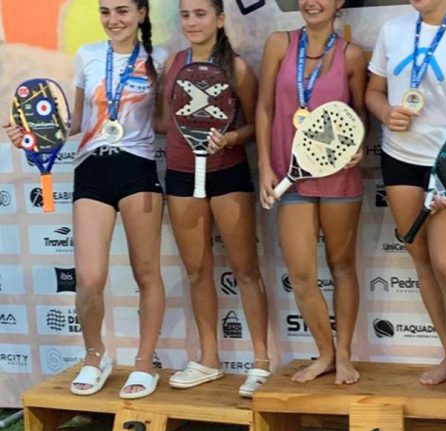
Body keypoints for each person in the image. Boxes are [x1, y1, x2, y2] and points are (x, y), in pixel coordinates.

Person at [4, 0, 168, 399]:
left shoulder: (160, 58)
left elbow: (163, 122)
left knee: (146, 273)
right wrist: (32, 136)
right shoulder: (87, 55)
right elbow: (76, 122)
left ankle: (145, 363)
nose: (113, 20)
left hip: (138, 168)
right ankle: (95, 356)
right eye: (105, 11)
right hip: (91, 170)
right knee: (90, 278)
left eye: (122, 11)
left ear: (142, 14)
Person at [365, 0, 446, 396]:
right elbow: (373, 92)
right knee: (421, 259)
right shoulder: (393, 29)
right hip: (399, 158)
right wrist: (384, 112)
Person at [155, 0, 271, 398]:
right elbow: (164, 122)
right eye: (186, 15)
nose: (192, 22)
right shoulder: (174, 64)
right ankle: (208, 359)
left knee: (246, 270)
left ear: (220, 19)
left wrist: (232, 137)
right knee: (197, 270)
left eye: (201, 14)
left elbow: (257, 125)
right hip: (181, 175)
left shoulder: (238, 68)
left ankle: (261, 362)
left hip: (228, 175)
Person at [255, 0, 366, 385]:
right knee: (301, 273)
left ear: (339, 3)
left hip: (339, 178)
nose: (311, 2)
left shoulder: (352, 55)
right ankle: (326, 354)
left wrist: (359, 146)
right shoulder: (279, 43)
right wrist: (265, 165)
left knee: (342, 266)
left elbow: (360, 115)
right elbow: (264, 108)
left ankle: (345, 355)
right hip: (291, 176)